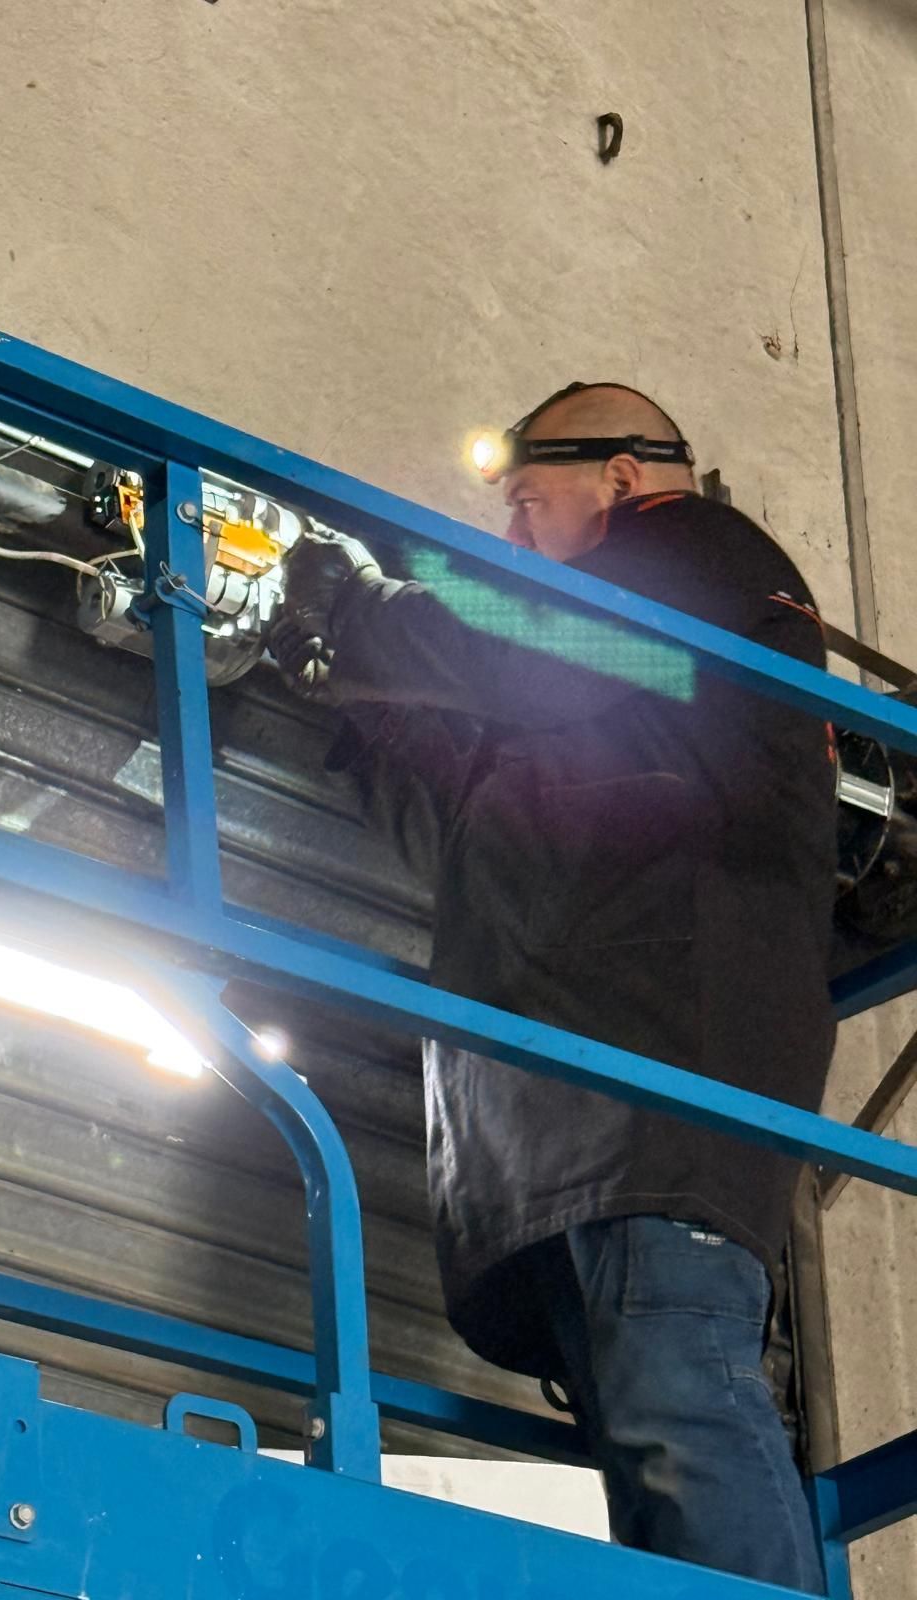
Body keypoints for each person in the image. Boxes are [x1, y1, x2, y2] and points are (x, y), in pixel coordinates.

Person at [269, 383, 836, 1592]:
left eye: (527, 503)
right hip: (576, 1123)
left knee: (685, 1419)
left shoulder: (702, 564)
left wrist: (355, 601)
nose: (511, 540)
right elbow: (479, 828)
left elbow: (516, 638)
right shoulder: (616, 706)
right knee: (651, 1461)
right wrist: (347, 697)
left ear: (625, 479)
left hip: (659, 1104)